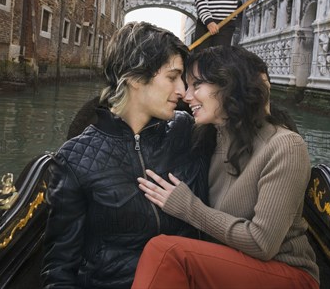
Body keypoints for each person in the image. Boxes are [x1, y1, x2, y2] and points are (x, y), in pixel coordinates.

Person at [132, 46, 320, 289]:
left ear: (230, 87)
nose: (186, 96)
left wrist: (189, 208)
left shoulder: (285, 146)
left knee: (167, 251)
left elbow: (262, 244)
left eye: (196, 86)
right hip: (231, 262)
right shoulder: (212, 136)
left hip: (287, 273)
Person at [41, 22, 209, 289]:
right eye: (172, 77)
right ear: (134, 77)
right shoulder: (73, 159)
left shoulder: (187, 130)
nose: (182, 91)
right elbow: (60, 267)